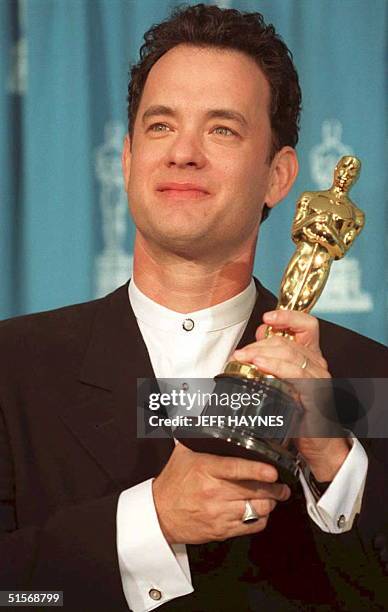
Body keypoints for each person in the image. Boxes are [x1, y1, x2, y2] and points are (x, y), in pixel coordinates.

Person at [1, 4, 387, 611]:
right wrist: (148, 522)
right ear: (126, 161)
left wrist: (334, 463)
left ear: (278, 175)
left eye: (222, 129)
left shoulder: (368, 377)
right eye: (160, 126)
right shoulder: (11, 367)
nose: (183, 152)